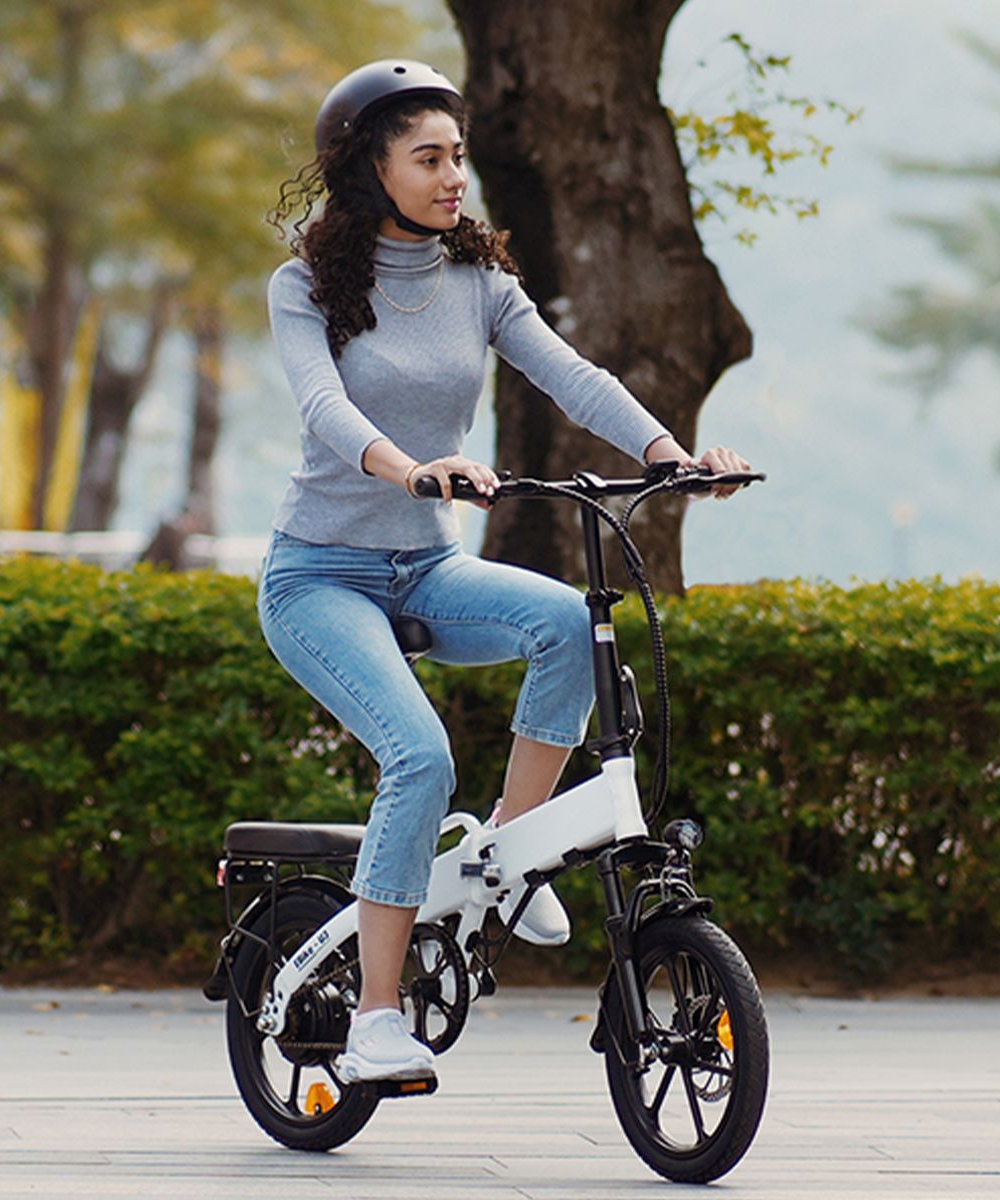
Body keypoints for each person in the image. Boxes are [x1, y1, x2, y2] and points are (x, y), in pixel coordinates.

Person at [260, 60, 752, 1084]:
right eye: (428, 159)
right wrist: (413, 469)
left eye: (458, 158)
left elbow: (575, 377)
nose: (453, 179)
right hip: (320, 579)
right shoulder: (304, 287)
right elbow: (324, 409)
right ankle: (376, 1020)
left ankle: (510, 852)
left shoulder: (480, 285)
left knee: (574, 626)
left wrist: (671, 456)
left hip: (426, 569)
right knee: (419, 757)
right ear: (369, 170)